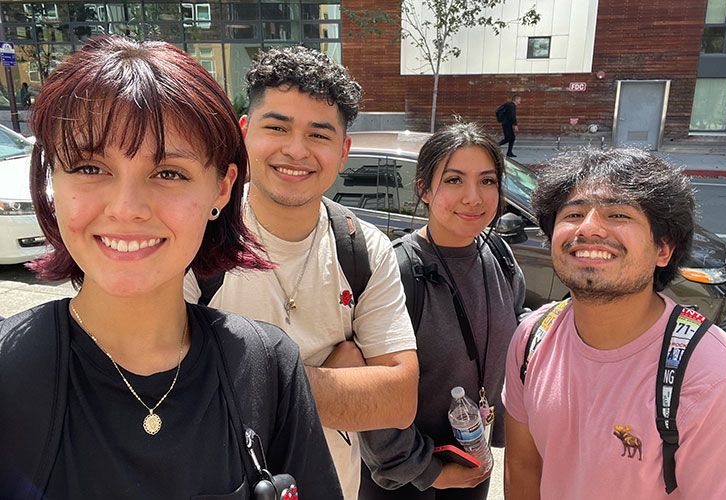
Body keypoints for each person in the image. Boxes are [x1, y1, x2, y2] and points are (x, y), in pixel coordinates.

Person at [0, 36, 343, 499]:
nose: (127, 208)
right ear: (52, 180)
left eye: (168, 173)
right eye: (88, 167)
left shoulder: (266, 367)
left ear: (222, 190)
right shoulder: (10, 371)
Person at [183, 46, 419, 500]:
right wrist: (335, 375)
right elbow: (172, 390)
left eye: (319, 134)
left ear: (343, 151)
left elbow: (399, 399)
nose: (296, 150)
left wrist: (239, 379)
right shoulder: (198, 237)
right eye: (277, 127)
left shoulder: (363, 248)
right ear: (245, 133)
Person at [502, 148, 726, 499]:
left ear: (663, 249)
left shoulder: (714, 380)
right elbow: (524, 468)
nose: (588, 228)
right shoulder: (532, 338)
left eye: (618, 214)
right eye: (573, 213)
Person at [358, 122, 529, 500]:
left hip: (471, 456)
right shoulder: (399, 270)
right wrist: (430, 472)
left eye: (487, 181)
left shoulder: (498, 254)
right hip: (407, 479)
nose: (474, 197)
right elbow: (370, 393)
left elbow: (513, 327)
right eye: (454, 180)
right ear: (424, 188)